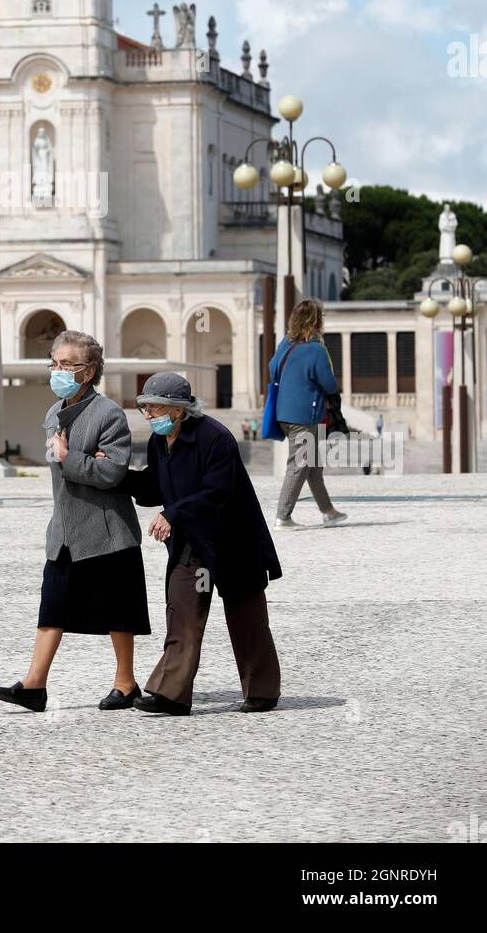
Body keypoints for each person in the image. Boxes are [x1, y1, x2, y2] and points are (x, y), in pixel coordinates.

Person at [0, 330, 150, 714]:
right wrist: (83, 460)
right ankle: (34, 685)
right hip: (64, 530)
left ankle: (126, 683)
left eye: (68, 364)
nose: (59, 370)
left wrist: (69, 457)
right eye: (55, 363)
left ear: (89, 369)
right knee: (52, 606)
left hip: (106, 529)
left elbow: (112, 473)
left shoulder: (108, 413)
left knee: (118, 610)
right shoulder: (53, 412)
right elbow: (86, 468)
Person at [123, 372, 281, 716]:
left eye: (154, 408)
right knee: (182, 611)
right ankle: (171, 695)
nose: (148, 414)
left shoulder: (215, 437)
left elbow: (217, 492)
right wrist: (118, 477)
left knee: (246, 618)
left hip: (232, 541)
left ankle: (262, 691)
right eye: (145, 407)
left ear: (179, 410)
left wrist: (173, 515)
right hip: (191, 545)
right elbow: (154, 486)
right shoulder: (159, 442)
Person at [270, 298, 348, 530]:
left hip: (283, 413)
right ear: (316, 321)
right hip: (305, 416)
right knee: (299, 465)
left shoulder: (286, 343)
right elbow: (329, 384)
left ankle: (329, 512)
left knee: (312, 465)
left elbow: (272, 368)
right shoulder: (315, 349)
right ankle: (283, 517)